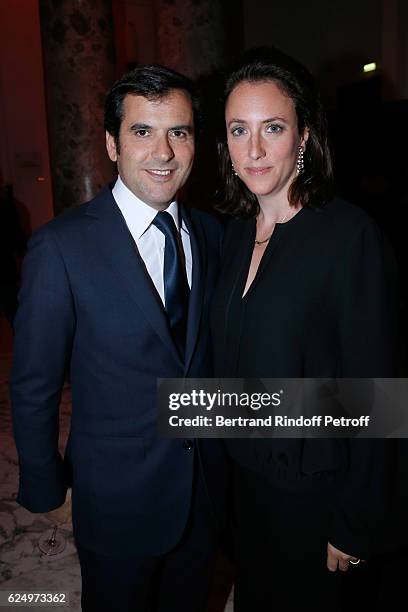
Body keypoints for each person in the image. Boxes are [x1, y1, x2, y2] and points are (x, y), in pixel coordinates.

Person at [11, 64, 226, 612]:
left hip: (204, 490)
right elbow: (35, 382)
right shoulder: (60, 249)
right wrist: (42, 482)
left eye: (178, 131)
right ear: (111, 144)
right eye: (142, 131)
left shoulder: (211, 233)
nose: (163, 152)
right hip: (117, 497)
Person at [211, 47, 395, 610]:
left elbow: (377, 387)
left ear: (305, 137)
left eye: (273, 128)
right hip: (244, 487)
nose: (255, 149)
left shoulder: (347, 235)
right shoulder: (234, 232)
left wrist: (356, 518)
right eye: (239, 130)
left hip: (313, 493)